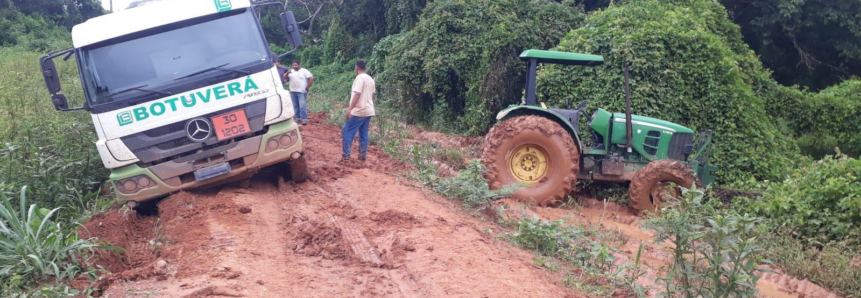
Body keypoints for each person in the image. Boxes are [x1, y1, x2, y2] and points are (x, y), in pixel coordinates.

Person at [342, 60, 375, 161]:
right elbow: (373, 96)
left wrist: (350, 109)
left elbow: (357, 94)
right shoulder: (371, 79)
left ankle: (346, 156)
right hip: (369, 110)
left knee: (346, 130)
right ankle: (362, 156)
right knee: (363, 133)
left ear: (356, 67)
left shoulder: (359, 78)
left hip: (359, 111)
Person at [283, 60, 313, 125]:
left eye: (296, 65)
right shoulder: (290, 71)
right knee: (295, 106)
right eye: (293, 65)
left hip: (301, 92)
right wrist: (287, 73)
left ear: (299, 65)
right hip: (293, 92)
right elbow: (284, 77)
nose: (294, 66)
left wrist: (307, 87)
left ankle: (304, 119)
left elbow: (311, 78)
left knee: (302, 105)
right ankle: (297, 118)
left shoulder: (304, 71)